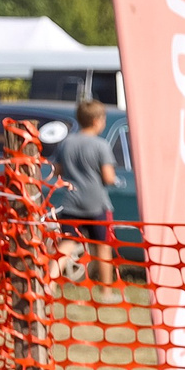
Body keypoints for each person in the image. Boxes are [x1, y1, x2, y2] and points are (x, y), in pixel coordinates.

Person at [51, 99, 118, 265]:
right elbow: (109, 177)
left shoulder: (66, 143)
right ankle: (106, 290)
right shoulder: (101, 145)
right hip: (97, 204)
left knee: (66, 244)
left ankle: (49, 283)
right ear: (96, 121)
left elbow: (57, 172)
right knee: (103, 246)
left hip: (71, 202)